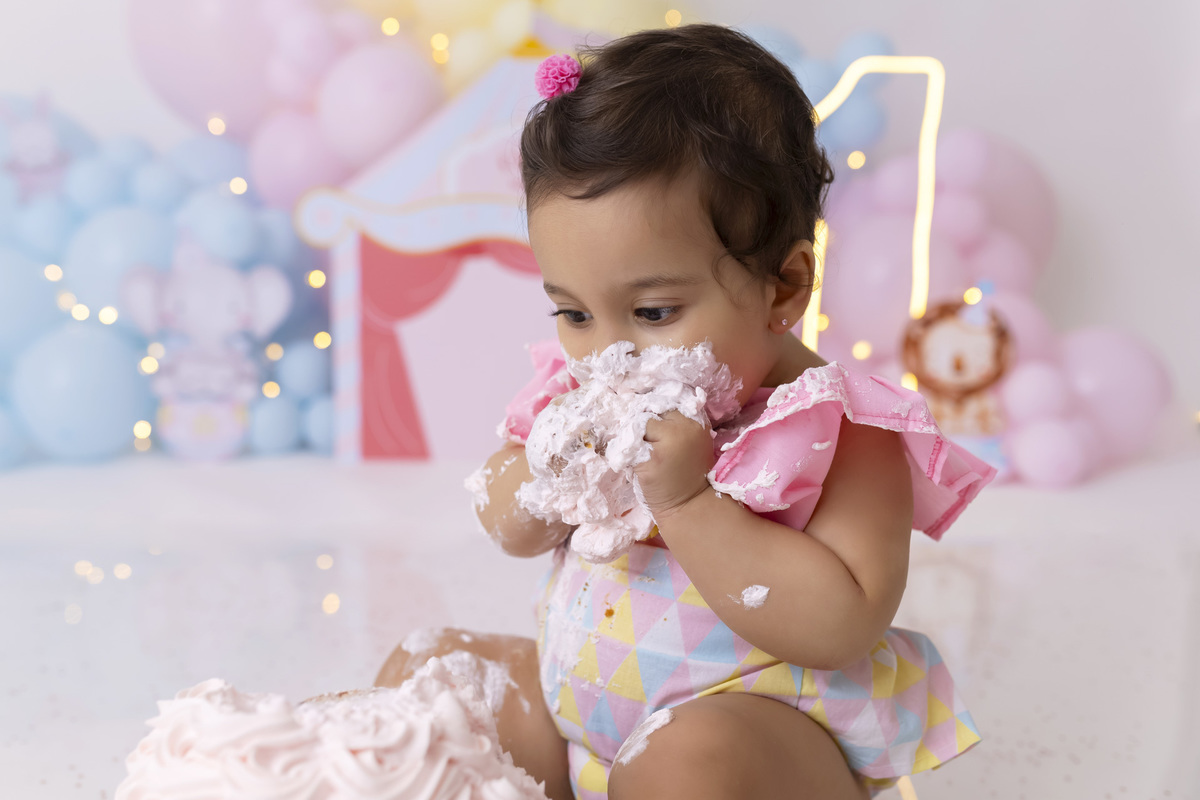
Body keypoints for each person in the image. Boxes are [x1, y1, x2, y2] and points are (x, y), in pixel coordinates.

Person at [377, 24, 994, 800]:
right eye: (572, 313)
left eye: (655, 311)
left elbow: (840, 625)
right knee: (433, 679)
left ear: (783, 288)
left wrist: (690, 501)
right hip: (582, 727)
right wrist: (545, 474)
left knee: (687, 763)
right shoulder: (578, 392)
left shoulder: (840, 429)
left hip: (753, 742)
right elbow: (506, 525)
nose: (610, 354)